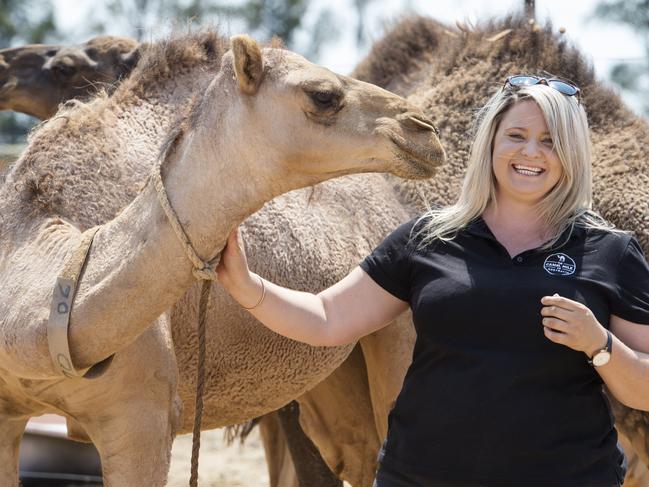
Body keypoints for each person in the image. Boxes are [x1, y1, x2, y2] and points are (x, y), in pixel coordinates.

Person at [217, 75, 649, 487]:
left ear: (572, 154)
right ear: (491, 143)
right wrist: (246, 287)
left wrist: (600, 344)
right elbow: (328, 317)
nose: (531, 152)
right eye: (516, 136)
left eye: (550, 141)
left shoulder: (609, 252)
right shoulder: (429, 238)